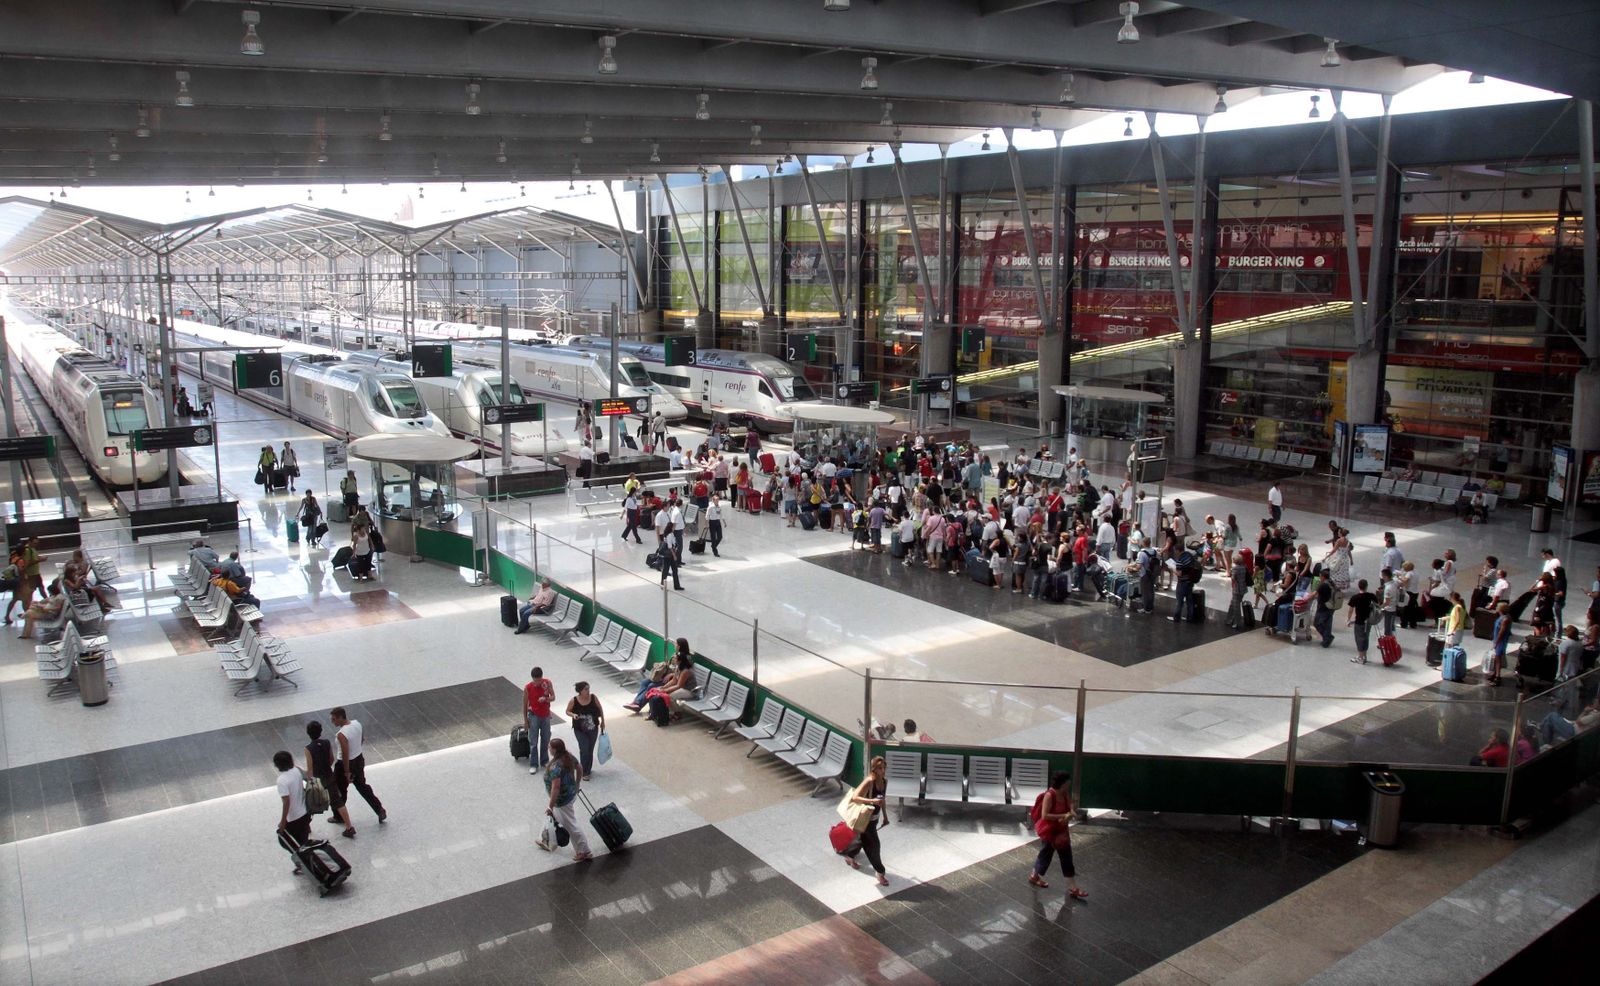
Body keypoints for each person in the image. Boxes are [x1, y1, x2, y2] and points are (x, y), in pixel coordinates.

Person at [1028, 771, 1087, 899]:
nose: (1069, 784)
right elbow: (1045, 815)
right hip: (1050, 831)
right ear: (1062, 783)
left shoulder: (1064, 793)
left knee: (1066, 856)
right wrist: (1064, 815)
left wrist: (1071, 811)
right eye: (1067, 782)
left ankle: (1072, 887)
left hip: (1061, 830)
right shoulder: (1050, 795)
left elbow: (1070, 804)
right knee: (1046, 854)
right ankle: (1035, 875)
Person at [535, 737, 594, 861]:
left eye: (550, 747)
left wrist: (550, 806)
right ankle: (546, 840)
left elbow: (556, 788)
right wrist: (577, 783)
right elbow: (579, 768)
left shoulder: (555, 766)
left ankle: (584, 851)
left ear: (555, 750)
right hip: (570, 795)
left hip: (561, 801)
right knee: (554, 818)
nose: (548, 748)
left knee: (571, 825)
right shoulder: (568, 756)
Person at [330, 706, 387, 825]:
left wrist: (347, 772)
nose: (332, 721)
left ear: (341, 717)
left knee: (339, 790)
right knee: (363, 787)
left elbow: (345, 753)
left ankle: (339, 816)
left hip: (344, 765)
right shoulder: (357, 724)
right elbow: (362, 739)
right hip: (359, 759)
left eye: (334, 719)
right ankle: (379, 809)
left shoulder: (341, 734)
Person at [842, 755, 891, 887]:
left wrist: (885, 816)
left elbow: (882, 800)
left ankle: (849, 856)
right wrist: (872, 801)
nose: (883, 771)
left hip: (874, 819)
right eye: (880, 768)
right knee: (874, 845)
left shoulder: (884, 782)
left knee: (862, 839)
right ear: (874, 769)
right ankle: (880, 872)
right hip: (866, 819)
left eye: (884, 768)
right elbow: (855, 797)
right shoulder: (870, 781)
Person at [304, 721, 355, 839]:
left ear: (308, 733)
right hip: (329, 776)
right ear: (321, 731)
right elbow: (331, 759)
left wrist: (310, 781)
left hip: (318, 780)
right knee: (338, 802)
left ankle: (307, 827)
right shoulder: (326, 743)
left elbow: (310, 769)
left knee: (310, 803)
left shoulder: (308, 749)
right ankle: (349, 827)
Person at [273, 750, 313, 871]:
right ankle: (308, 863)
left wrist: (283, 821)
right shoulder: (296, 770)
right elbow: (308, 778)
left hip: (294, 818)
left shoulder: (282, 780)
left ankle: (304, 863)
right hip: (305, 812)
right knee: (303, 842)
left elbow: (286, 802)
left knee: (284, 840)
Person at [565, 681, 605, 779]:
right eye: (586, 689)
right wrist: (573, 715)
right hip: (580, 729)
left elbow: (600, 709)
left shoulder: (593, 698)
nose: (588, 691)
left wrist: (603, 722)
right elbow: (567, 711)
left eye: (588, 689)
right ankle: (584, 772)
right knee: (584, 748)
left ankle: (587, 769)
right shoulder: (574, 700)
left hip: (592, 728)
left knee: (590, 749)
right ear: (580, 691)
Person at [523, 666, 555, 771]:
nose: (537, 683)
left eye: (539, 680)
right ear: (532, 678)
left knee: (545, 739)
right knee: (533, 741)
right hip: (533, 716)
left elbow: (553, 697)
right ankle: (533, 764)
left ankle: (544, 761)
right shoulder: (528, 688)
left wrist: (545, 699)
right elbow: (524, 704)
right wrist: (525, 720)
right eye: (535, 681)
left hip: (545, 715)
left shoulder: (547, 683)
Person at [1346, 579, 1378, 665]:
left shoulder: (1355, 597)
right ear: (1366, 586)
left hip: (1359, 621)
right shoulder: (1371, 596)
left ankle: (1360, 657)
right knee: (1366, 637)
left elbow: (1350, 610)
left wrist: (1348, 620)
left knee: (1359, 639)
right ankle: (1364, 656)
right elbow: (1377, 605)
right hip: (1368, 621)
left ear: (1358, 586)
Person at [1485, 602, 1511, 686]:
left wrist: (1497, 642)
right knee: (1497, 658)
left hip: (1501, 641)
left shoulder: (1505, 619)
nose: (1496, 607)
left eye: (1497, 607)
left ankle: (1498, 676)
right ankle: (1495, 673)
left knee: (1498, 658)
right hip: (1497, 639)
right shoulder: (1502, 617)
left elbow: (1501, 632)